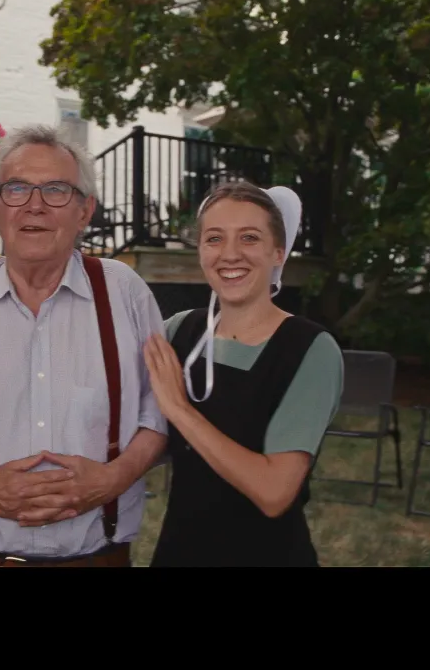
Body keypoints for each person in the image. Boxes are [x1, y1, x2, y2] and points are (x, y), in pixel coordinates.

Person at [0, 125, 169, 567]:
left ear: (85, 211)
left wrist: (113, 479)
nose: (35, 205)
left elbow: (161, 408)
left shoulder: (124, 292)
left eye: (56, 190)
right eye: (16, 188)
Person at [142, 180, 342, 567]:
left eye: (249, 238)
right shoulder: (180, 331)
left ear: (278, 252)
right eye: (214, 239)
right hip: (179, 552)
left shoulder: (309, 349)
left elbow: (273, 492)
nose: (230, 254)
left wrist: (180, 409)